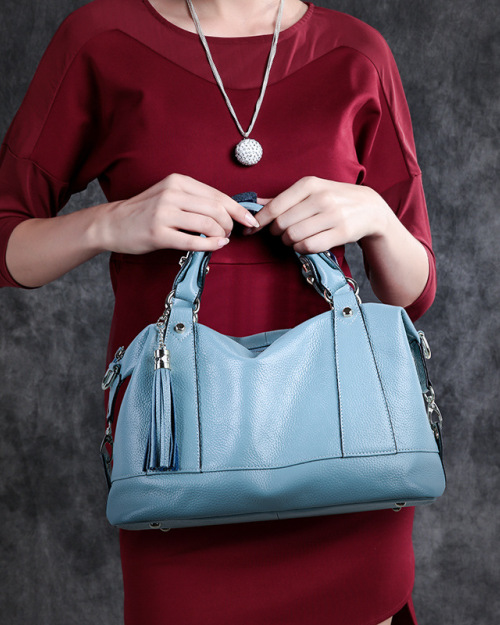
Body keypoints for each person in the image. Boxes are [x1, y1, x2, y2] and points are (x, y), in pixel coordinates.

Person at [0, 1, 437, 623]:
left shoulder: (357, 54)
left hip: (348, 471)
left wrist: (377, 218)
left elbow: (413, 294)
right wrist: (108, 223)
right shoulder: (101, 39)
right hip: (180, 477)